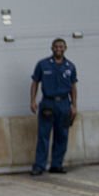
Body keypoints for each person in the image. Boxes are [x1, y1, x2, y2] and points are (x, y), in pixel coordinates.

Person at [30, 38, 78, 176]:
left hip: (64, 104)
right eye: (56, 46)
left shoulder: (70, 66)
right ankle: (39, 166)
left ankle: (56, 165)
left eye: (61, 46)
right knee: (43, 135)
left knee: (62, 135)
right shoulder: (43, 64)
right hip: (48, 103)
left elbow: (73, 87)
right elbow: (35, 82)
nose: (59, 49)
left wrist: (74, 106)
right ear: (52, 48)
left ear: (65, 48)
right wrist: (32, 100)